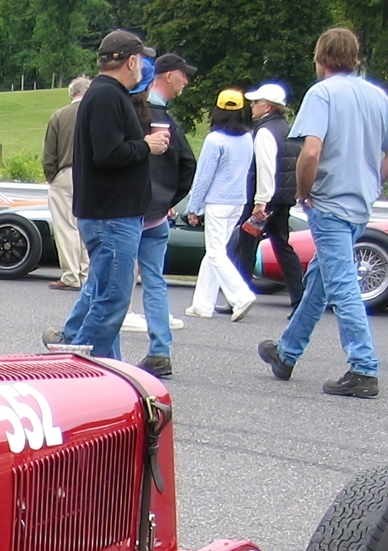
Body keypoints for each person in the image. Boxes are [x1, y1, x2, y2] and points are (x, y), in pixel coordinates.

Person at [259, 27, 388, 399]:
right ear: (354, 57)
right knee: (320, 279)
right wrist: (372, 182)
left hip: (330, 204)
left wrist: (304, 191)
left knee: (341, 284)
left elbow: (311, 152)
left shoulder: (322, 93)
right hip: (359, 204)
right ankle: (287, 352)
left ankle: (363, 367)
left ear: (321, 58)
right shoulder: (376, 95)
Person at [53, 36, 171, 360]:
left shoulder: (107, 93)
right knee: (113, 299)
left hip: (111, 214)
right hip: (112, 216)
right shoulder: (107, 95)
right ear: (131, 61)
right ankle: (78, 363)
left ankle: (107, 368)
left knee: (103, 295)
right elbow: (107, 154)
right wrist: (146, 145)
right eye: (141, 61)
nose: (143, 68)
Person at [121, 54, 194, 369]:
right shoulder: (165, 119)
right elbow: (188, 163)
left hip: (128, 208)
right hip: (158, 212)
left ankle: (80, 336)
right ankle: (161, 350)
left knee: (109, 276)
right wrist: (168, 199)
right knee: (154, 279)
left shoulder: (128, 116)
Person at [182, 91, 257, 323]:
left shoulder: (215, 140)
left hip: (217, 201)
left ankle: (241, 296)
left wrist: (194, 207)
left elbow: (203, 177)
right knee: (215, 252)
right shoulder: (248, 138)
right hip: (237, 201)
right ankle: (202, 304)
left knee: (215, 252)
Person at [234, 83, 305, 308]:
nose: (252, 106)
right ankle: (299, 296)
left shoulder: (264, 132)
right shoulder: (287, 129)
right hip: (283, 198)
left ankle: (240, 298)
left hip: (266, 199)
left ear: (268, 107)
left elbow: (265, 168)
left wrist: (260, 201)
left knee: (246, 245)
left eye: (256, 102)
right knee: (282, 245)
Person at [41, 76, 90, 289]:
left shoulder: (59, 116)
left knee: (66, 227)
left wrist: (52, 176)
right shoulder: (96, 113)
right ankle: (88, 274)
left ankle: (71, 275)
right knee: (88, 226)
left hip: (66, 173)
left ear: (71, 93)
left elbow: (49, 153)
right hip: (92, 175)